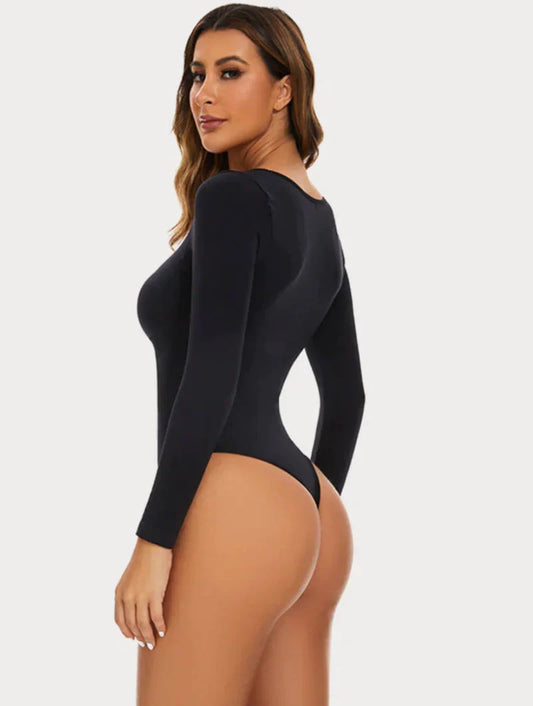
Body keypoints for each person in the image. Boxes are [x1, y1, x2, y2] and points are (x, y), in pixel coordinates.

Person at [114, 5, 366, 705]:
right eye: (197, 75)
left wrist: (155, 538)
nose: (205, 94)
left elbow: (212, 371)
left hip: (228, 505)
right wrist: (303, 521)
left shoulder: (232, 198)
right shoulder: (318, 217)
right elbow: (348, 396)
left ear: (283, 90)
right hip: (311, 508)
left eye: (231, 73)